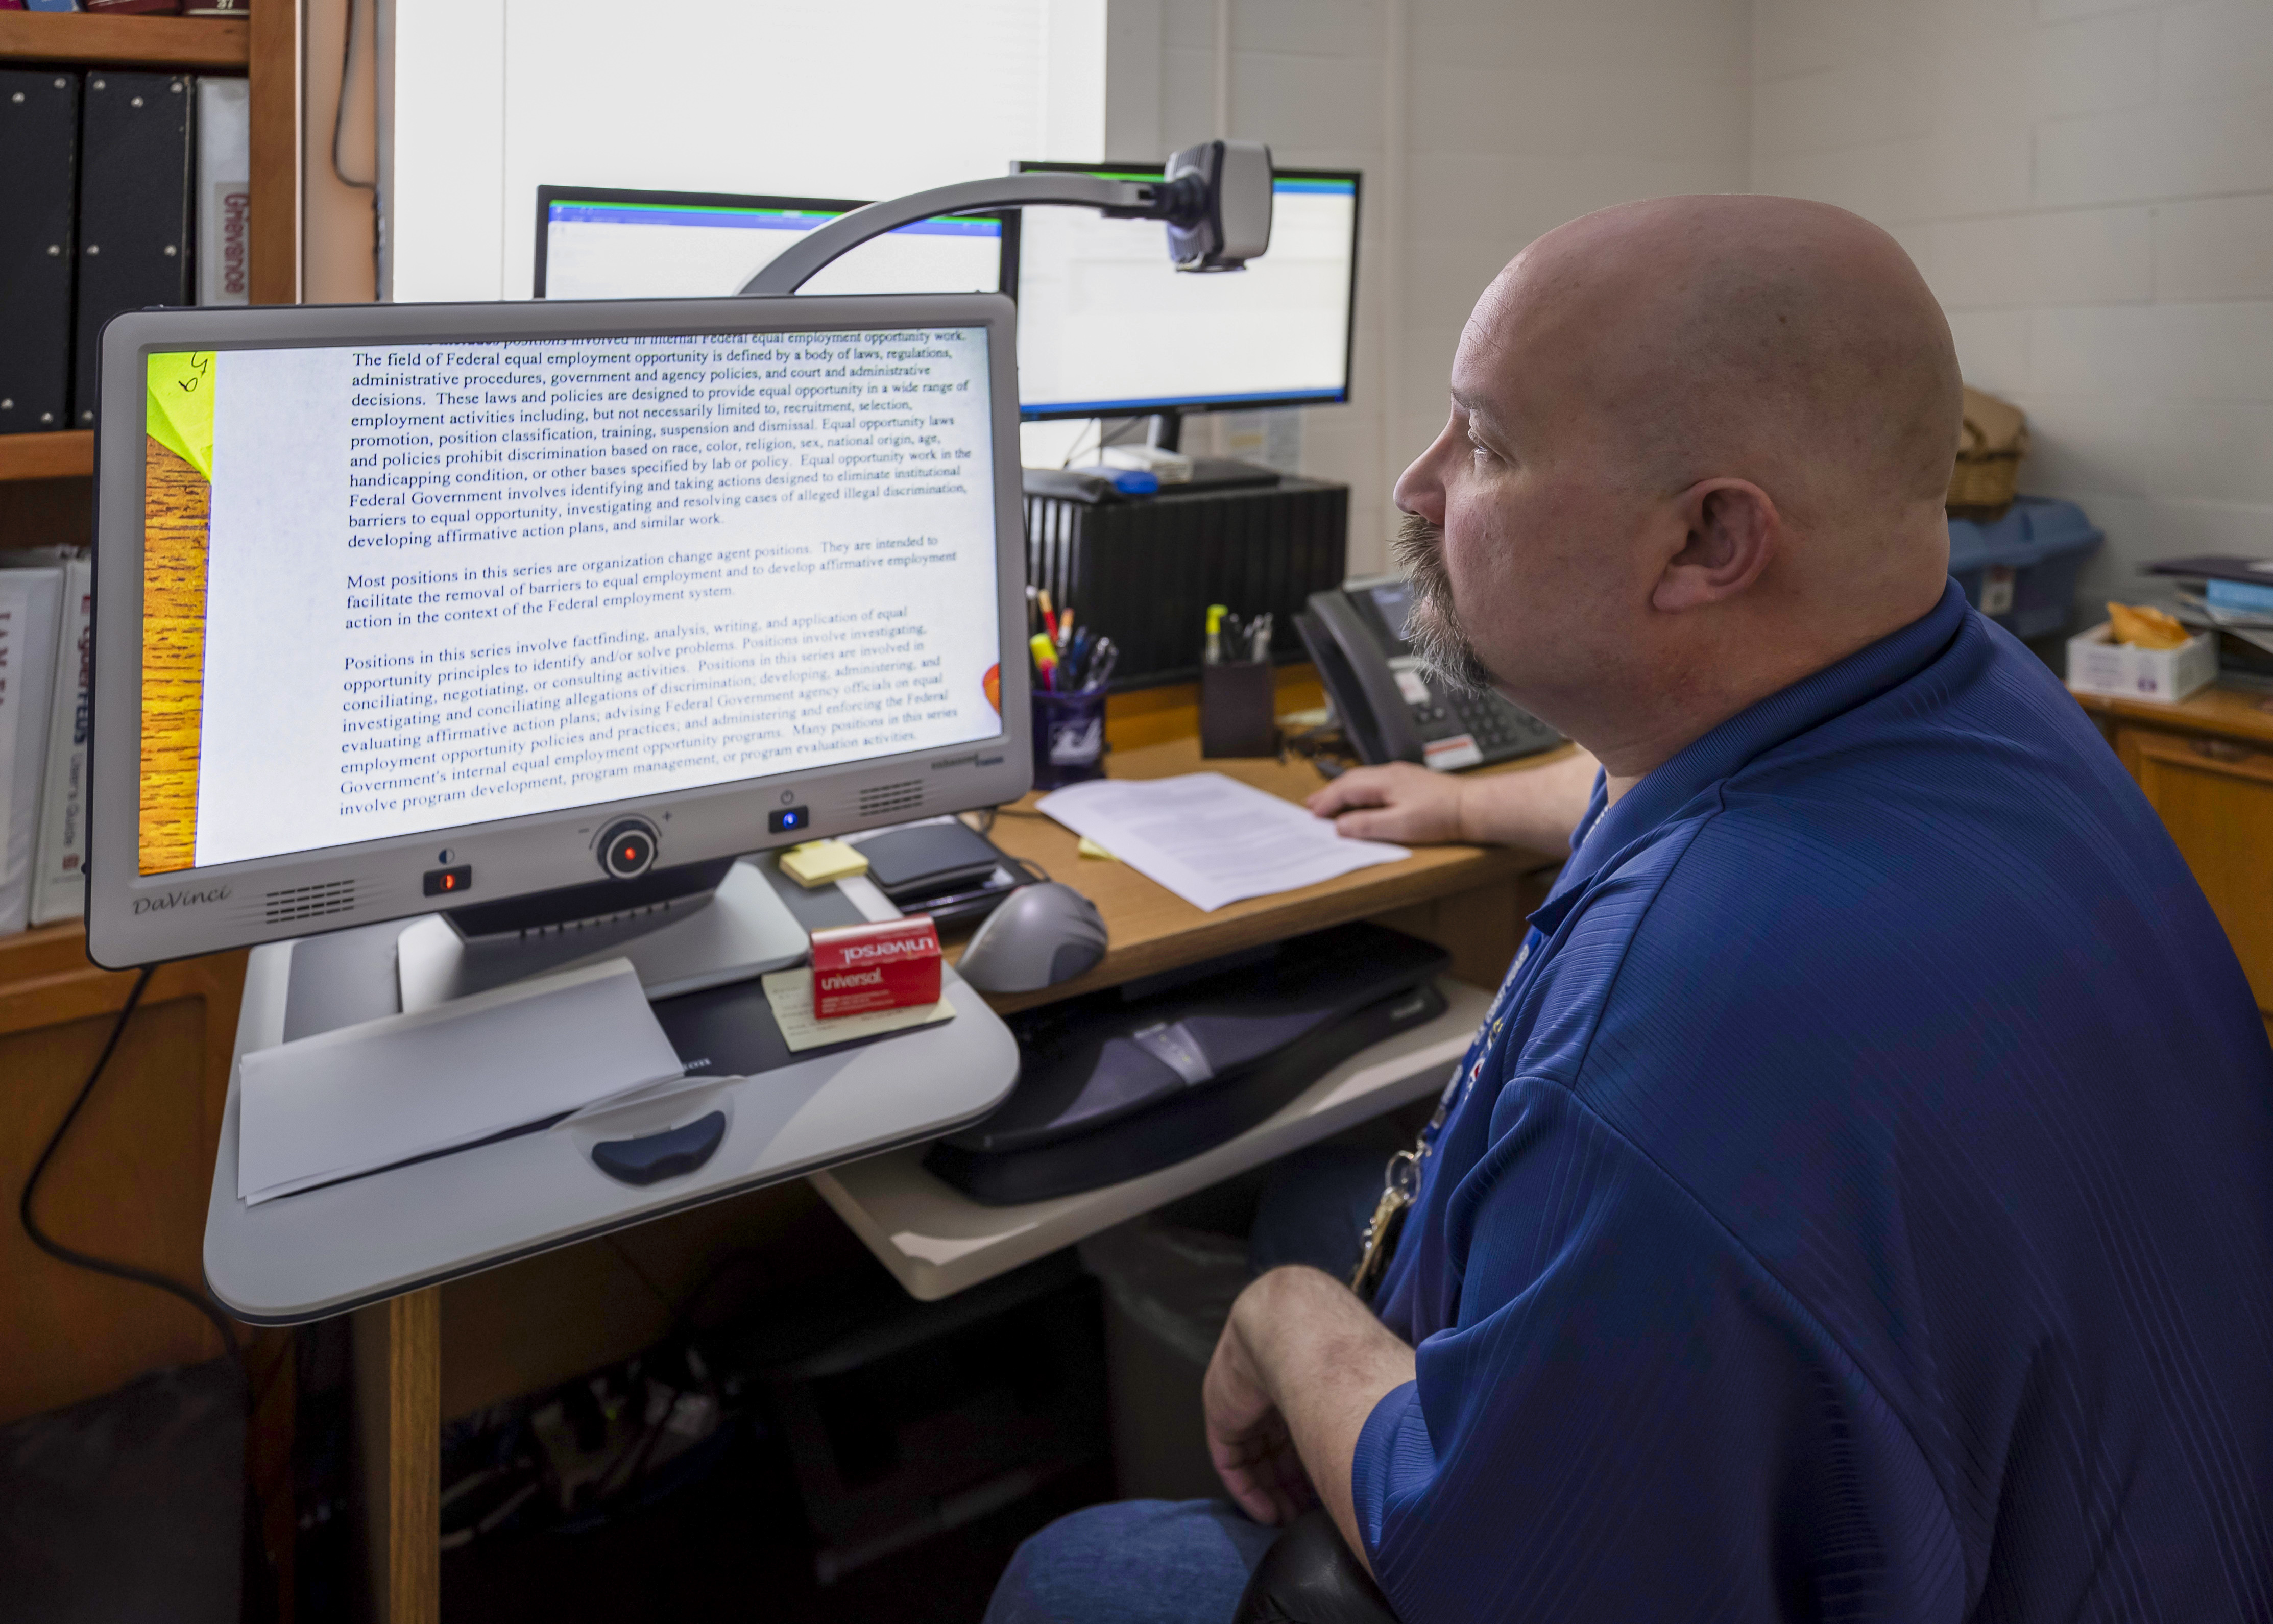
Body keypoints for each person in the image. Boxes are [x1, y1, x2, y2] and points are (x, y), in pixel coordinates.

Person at [983, 194, 2273, 1622]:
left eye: (1482, 443)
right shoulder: (1979, 701)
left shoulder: (1683, 1039)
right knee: (1319, 1193)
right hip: (2140, 1494)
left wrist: (1286, 1331)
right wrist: (1471, 803)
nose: (1417, 487)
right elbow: (1655, 787)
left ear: (1709, 540)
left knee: (1078, 1569)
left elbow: (1487, 1562)